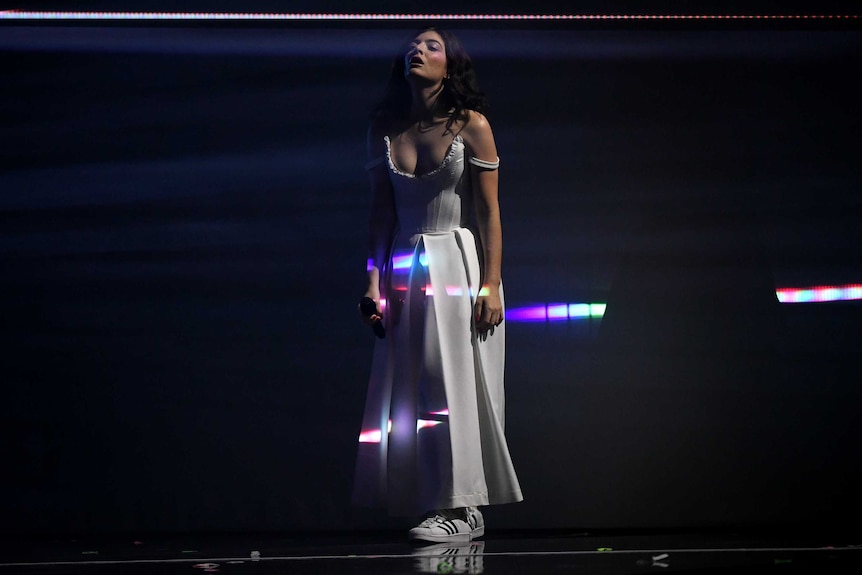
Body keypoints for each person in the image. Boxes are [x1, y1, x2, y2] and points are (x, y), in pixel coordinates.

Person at [354, 27, 523, 544]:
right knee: (414, 384)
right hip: (406, 266)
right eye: (413, 44)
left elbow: (490, 212)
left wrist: (491, 284)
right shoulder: (385, 129)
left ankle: (466, 507)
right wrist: (372, 282)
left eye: (431, 45)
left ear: (450, 64)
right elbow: (380, 216)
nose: (417, 50)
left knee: (453, 381)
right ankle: (436, 499)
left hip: (455, 263)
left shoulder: (471, 125)